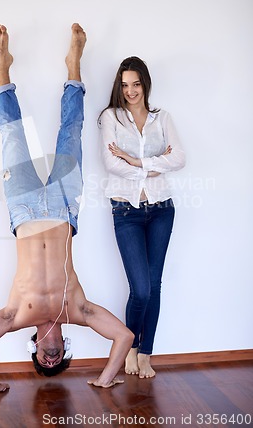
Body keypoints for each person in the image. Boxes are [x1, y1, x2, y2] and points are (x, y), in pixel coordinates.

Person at [0, 23, 133, 394]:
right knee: (71, 131)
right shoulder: (77, 309)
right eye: (58, 360)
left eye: (45, 361)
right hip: (62, 208)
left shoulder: (14, 316)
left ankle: (2, 67)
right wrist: (105, 380)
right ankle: (74, 65)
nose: (51, 358)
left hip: (22, 210)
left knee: (10, 134)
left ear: (35, 349)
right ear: (65, 348)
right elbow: (124, 336)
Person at [98, 56, 185, 379]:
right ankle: (130, 346)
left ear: (145, 83)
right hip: (126, 211)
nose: (131, 91)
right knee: (141, 289)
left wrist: (136, 162)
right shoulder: (111, 118)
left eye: (136, 84)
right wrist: (153, 162)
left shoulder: (162, 118)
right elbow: (110, 164)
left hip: (162, 208)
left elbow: (180, 158)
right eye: (124, 85)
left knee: (155, 285)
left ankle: (145, 353)